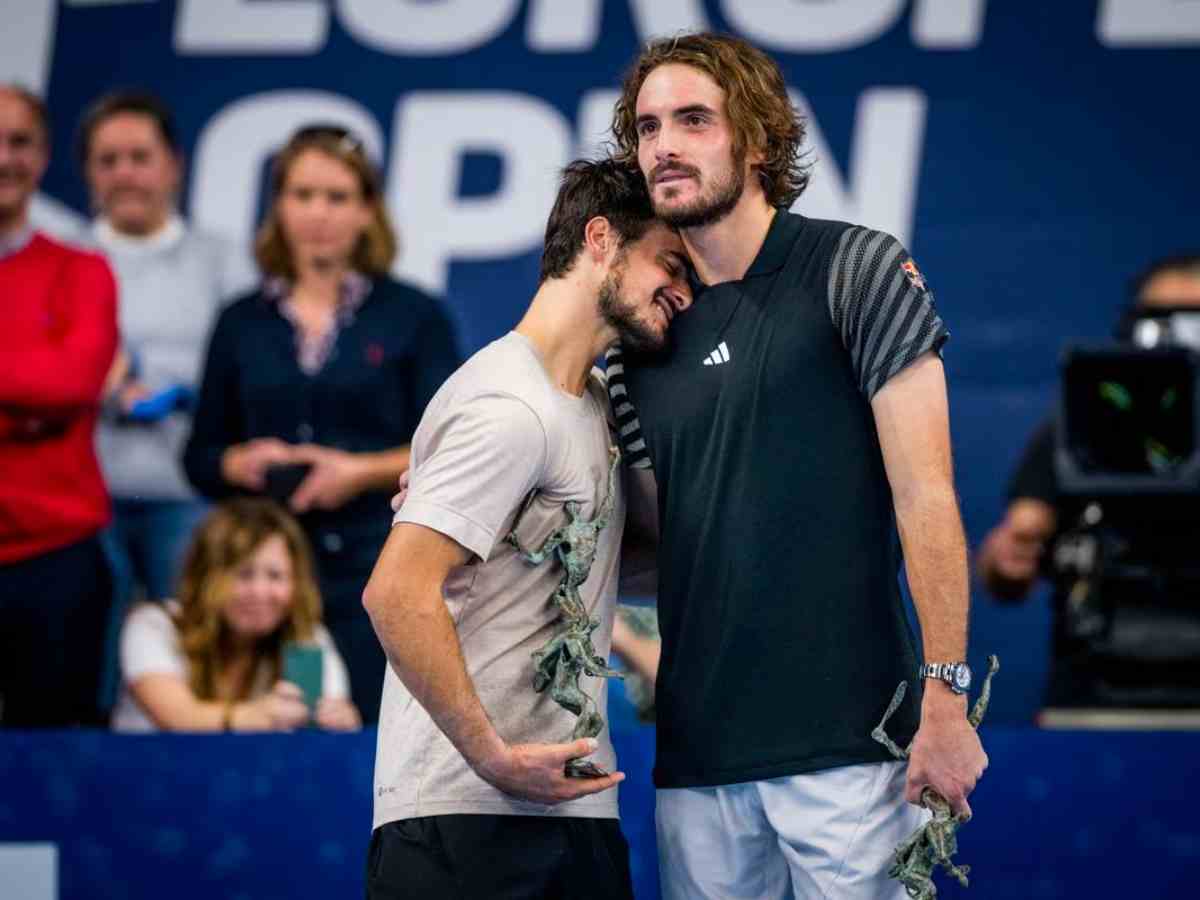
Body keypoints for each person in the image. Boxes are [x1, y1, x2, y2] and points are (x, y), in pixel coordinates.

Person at [604, 33, 988, 898]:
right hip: (697, 760)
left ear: (761, 141)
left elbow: (927, 495)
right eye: (649, 126)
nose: (664, 145)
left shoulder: (857, 269)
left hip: (857, 753)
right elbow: (662, 553)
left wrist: (947, 698)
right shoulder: (638, 339)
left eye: (694, 120)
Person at [361, 158, 691, 900]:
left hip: (573, 811)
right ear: (600, 238)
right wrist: (493, 757)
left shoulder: (596, 405)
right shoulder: (505, 406)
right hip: (463, 816)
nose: (683, 290)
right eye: (669, 263)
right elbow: (396, 592)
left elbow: (611, 569)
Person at [183, 124, 461, 723]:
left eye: (337, 197)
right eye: (302, 194)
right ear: (278, 206)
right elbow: (200, 455)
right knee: (277, 732)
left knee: (366, 728)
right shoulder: (240, 322)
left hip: (375, 566)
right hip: (261, 587)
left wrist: (359, 472)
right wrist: (238, 462)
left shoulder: (414, 316)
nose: (319, 212)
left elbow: (454, 444)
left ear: (367, 211)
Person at [977, 253, 1200, 708]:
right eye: (1161, 323)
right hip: (1096, 692)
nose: (1180, 342)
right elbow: (1005, 566)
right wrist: (1011, 553)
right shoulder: (1081, 429)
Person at [82, 90, 256, 606]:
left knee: (190, 652)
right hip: (77, 505)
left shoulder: (226, 262)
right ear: (88, 172)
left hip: (189, 497)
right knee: (80, 671)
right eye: (108, 161)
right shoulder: (65, 259)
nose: (125, 174)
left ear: (174, 164)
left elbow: (248, 375)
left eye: (140, 158)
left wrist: (180, 391)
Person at [0, 85, 118, 727]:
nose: (4, 159)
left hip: (58, 558)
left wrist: (51, 394)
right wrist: (29, 399)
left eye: (19, 142)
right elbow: (48, 386)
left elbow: (73, 383)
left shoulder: (83, 269)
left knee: (54, 759)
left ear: (43, 157)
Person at [112, 497, 359, 732]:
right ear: (205, 577)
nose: (260, 592)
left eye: (275, 576)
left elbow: (316, 735)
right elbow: (177, 718)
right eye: (243, 574)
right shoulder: (154, 625)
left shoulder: (307, 636)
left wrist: (339, 723)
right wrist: (256, 717)